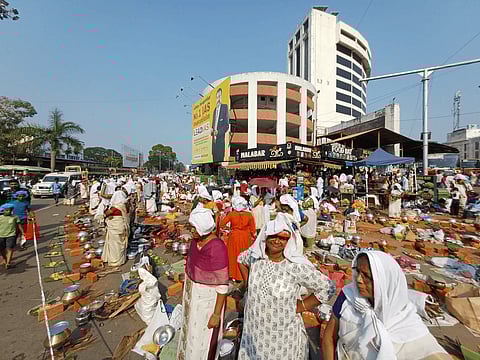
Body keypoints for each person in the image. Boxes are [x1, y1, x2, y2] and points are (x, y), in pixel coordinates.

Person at [322, 251, 451, 360]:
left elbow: (429, 352)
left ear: (383, 281)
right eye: (358, 272)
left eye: (366, 276)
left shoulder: (406, 322)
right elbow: (328, 337)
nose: (359, 280)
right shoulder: (349, 296)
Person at [237, 217, 335, 359]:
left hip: (282, 337)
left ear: (288, 240)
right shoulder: (255, 257)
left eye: (282, 237)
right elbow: (240, 259)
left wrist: (301, 306)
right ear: (265, 236)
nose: (277, 241)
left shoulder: (295, 266)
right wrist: (248, 288)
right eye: (273, 236)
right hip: (254, 329)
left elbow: (328, 287)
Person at [177, 207, 229, 360]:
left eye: (193, 228)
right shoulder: (195, 242)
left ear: (202, 228)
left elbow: (222, 285)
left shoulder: (217, 247)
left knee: (203, 339)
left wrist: (216, 314)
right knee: (190, 334)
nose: (191, 231)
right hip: (193, 300)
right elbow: (192, 266)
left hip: (208, 302)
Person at [220, 196, 256, 281]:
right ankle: (244, 275)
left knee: (233, 255)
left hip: (234, 237)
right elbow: (253, 230)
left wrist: (229, 230)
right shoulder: (249, 215)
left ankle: (233, 275)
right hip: (246, 237)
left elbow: (222, 224)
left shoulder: (232, 214)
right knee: (244, 256)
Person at [102, 187, 130, 267]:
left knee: (114, 245)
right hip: (121, 225)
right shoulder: (124, 205)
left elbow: (107, 213)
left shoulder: (115, 207)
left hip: (115, 226)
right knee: (120, 243)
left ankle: (115, 261)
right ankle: (121, 259)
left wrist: (105, 210)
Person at [0, 203, 25, 269]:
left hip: (11, 235)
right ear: (3, 210)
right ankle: (6, 259)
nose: (9, 211)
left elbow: (19, 225)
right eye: (7, 210)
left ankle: (8, 263)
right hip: (1, 236)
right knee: (2, 249)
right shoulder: (0, 217)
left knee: (9, 248)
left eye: (10, 210)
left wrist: (22, 232)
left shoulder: (15, 217)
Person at [211, 87, 230, 163]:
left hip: (220, 142)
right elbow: (213, 125)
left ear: (221, 97)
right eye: (217, 97)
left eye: (219, 96)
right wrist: (211, 131)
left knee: (220, 163)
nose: (218, 99)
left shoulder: (224, 107)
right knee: (214, 162)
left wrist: (218, 132)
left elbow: (226, 125)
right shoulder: (214, 110)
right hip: (214, 143)